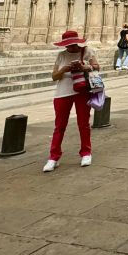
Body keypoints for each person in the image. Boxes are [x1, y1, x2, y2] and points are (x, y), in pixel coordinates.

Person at [44, 30, 100, 172]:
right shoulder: (61, 55)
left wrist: (84, 67)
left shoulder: (87, 51)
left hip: (82, 91)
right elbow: (54, 76)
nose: (71, 48)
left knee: (84, 124)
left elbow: (97, 67)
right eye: (68, 46)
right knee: (59, 126)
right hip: (62, 92)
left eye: (73, 45)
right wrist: (64, 69)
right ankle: (53, 157)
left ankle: (86, 153)